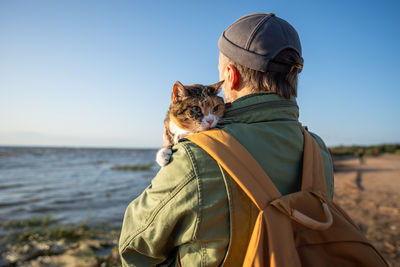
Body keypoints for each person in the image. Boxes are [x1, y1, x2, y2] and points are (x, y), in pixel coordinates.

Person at [119, 13, 334, 266]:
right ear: (293, 77)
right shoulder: (317, 149)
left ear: (231, 75)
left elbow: (133, 249)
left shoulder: (196, 157)